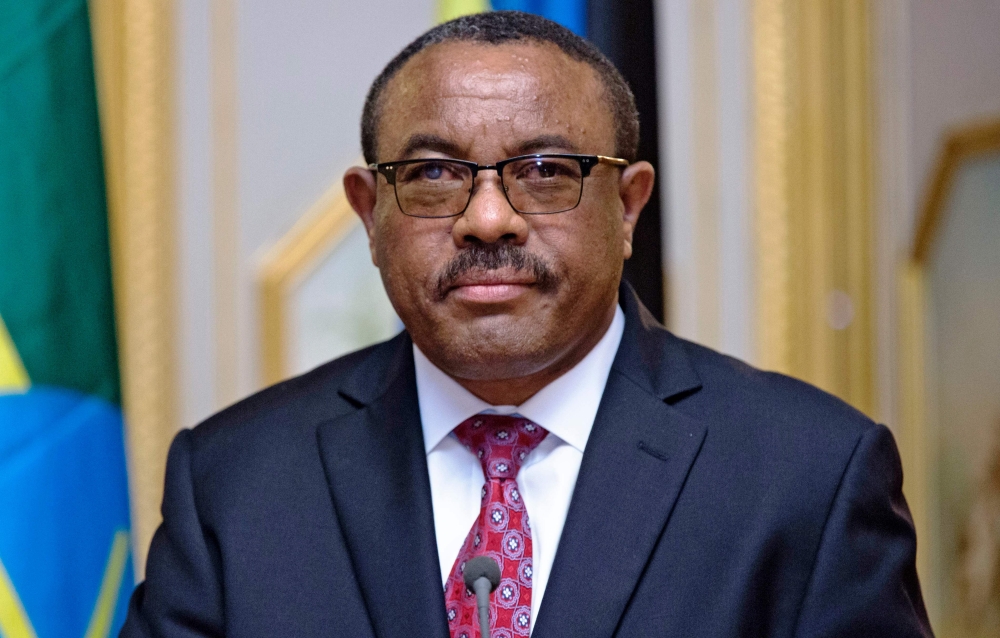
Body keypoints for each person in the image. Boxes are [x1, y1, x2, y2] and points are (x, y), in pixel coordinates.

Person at [121, 11, 932, 638]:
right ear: (370, 214)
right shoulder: (235, 482)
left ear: (627, 207)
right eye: (434, 173)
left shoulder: (808, 475)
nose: (487, 219)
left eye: (545, 171)